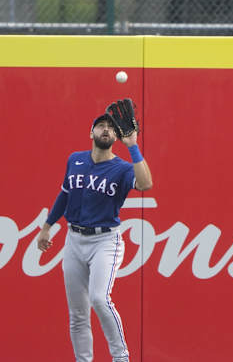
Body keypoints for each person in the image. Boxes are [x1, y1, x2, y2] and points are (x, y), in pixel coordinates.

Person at [38, 112, 153, 362]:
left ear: (116, 136)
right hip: (74, 239)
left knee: (100, 298)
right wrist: (47, 226)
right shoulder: (75, 159)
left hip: (105, 241)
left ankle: (121, 357)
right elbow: (65, 194)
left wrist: (132, 146)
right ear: (91, 132)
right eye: (101, 126)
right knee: (78, 314)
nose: (106, 129)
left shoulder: (122, 168)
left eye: (111, 127)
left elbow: (145, 184)